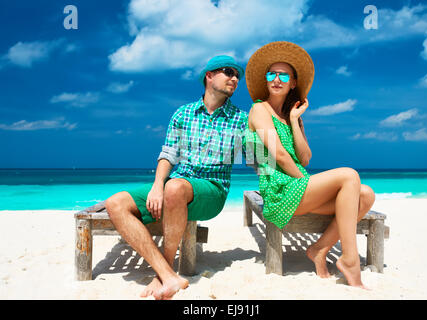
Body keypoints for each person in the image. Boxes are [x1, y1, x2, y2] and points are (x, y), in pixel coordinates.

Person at [105, 55, 247, 299]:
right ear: (209, 75)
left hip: (213, 189)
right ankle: (168, 275)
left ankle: (164, 271)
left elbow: (261, 160)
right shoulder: (183, 114)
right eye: (228, 72)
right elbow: (168, 155)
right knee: (115, 203)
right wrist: (157, 186)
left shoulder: (242, 119)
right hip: (176, 185)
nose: (235, 78)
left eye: (237, 75)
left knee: (175, 188)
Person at [244, 41, 375, 289]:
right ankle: (350, 261)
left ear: (293, 83)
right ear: (266, 79)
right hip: (280, 192)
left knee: (366, 195)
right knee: (349, 175)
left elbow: (305, 159)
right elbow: (280, 156)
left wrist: (294, 120)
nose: (277, 79)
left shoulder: (291, 117)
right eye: (272, 73)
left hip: (299, 189)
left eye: (284, 75)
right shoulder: (259, 110)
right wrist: (304, 182)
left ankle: (319, 249)